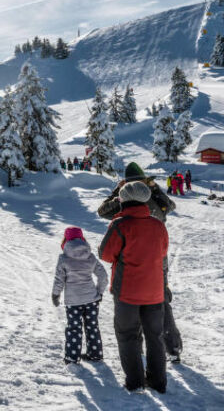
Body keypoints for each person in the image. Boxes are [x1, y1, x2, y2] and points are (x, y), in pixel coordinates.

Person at [97, 162, 182, 362]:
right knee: (160, 302)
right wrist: (154, 188)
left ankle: (139, 350)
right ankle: (172, 346)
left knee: (134, 306)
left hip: (133, 260)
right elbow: (169, 206)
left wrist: (118, 190)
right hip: (157, 258)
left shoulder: (125, 200)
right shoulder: (151, 197)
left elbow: (102, 211)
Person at [99, 181, 169, 393]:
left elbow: (105, 254)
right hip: (155, 291)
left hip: (127, 292)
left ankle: (136, 382)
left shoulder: (120, 224)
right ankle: (158, 382)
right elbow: (163, 251)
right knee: (155, 336)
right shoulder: (158, 225)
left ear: (125, 200)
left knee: (128, 335)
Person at [52, 227, 108, 364]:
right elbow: (103, 276)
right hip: (91, 299)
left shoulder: (64, 258)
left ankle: (72, 357)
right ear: (82, 239)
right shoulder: (90, 256)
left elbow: (59, 279)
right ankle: (95, 354)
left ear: (65, 240)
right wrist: (99, 292)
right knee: (92, 327)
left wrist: (55, 294)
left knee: (74, 328)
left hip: (73, 302)